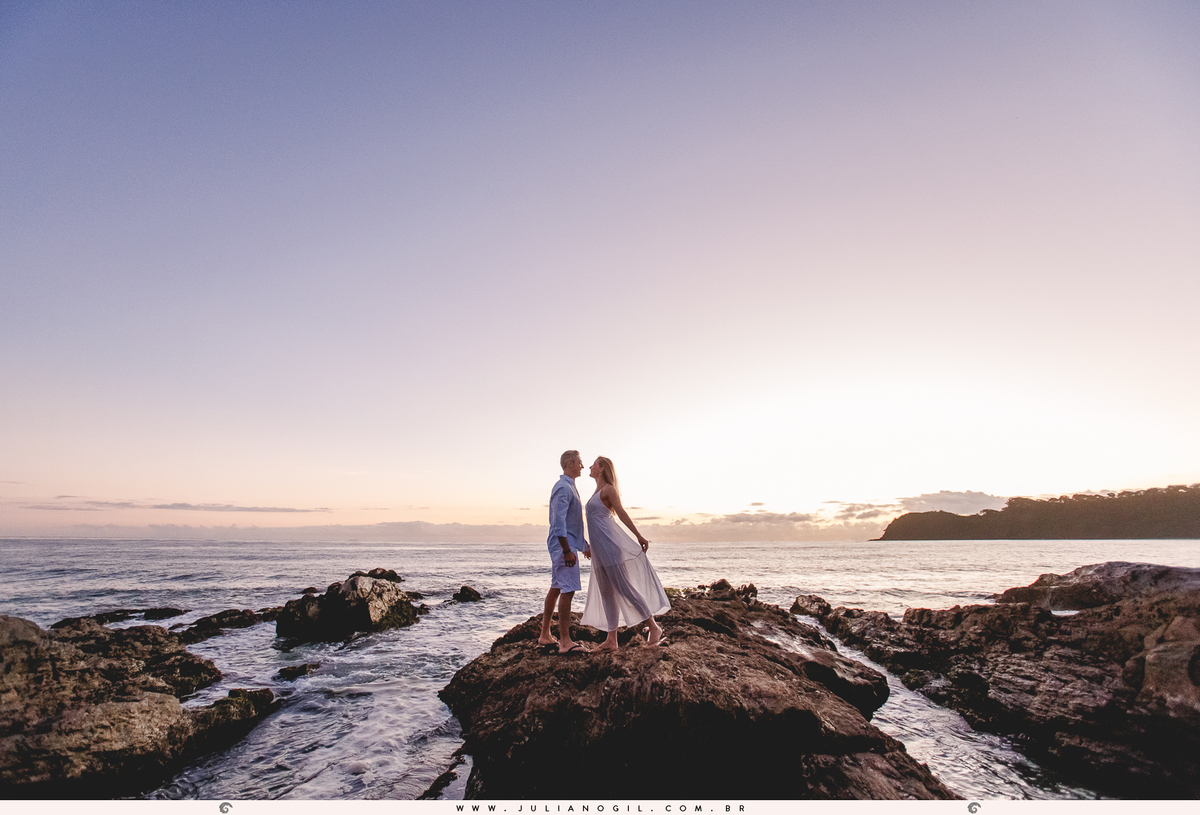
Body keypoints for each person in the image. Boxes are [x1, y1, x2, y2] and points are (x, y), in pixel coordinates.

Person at [580, 456, 670, 650]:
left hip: (611, 548)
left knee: (625, 589)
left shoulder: (608, 490)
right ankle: (611, 640)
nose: (590, 466)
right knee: (606, 593)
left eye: (593, 464)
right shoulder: (595, 492)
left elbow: (621, 513)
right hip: (599, 550)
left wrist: (638, 536)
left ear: (602, 468)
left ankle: (654, 628)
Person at [539, 449, 591, 654]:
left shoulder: (569, 487)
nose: (582, 466)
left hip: (566, 543)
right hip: (563, 546)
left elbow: (572, 524)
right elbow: (559, 523)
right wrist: (567, 550)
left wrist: (584, 546)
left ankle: (545, 635)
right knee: (567, 590)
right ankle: (565, 642)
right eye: (579, 462)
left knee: (557, 587)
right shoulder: (563, 487)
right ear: (570, 463)